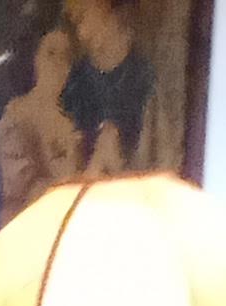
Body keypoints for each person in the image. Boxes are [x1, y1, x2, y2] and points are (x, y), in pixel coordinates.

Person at [60, 0, 167, 178]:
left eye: (83, 17)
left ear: (111, 10)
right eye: (76, 23)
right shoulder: (78, 82)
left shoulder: (144, 76)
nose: (82, 34)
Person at [0, 23, 81, 217]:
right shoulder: (17, 117)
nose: (59, 64)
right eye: (51, 53)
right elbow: (22, 186)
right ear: (35, 59)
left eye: (66, 57)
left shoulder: (67, 121)